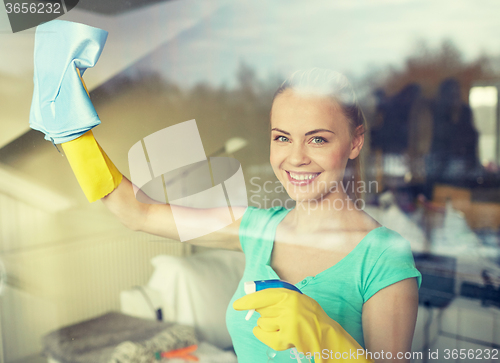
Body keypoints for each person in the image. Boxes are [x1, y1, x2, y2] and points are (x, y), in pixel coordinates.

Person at [30, 24, 421, 362]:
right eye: (282, 138)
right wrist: (73, 134)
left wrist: (323, 334)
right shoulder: (256, 228)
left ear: (355, 143)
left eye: (317, 139)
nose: (295, 158)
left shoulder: (383, 257)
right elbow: (138, 213)